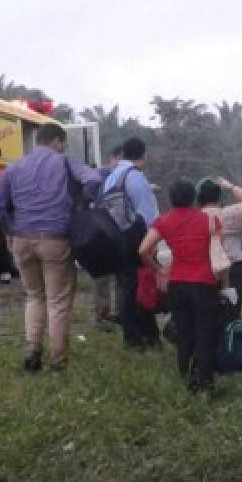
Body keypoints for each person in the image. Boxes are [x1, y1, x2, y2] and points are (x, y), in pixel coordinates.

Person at [0, 123, 100, 373]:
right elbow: (93, 179)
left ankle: (32, 350)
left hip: (21, 240)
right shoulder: (64, 161)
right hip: (55, 240)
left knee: (34, 296)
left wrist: (10, 229)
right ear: (57, 141)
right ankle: (58, 362)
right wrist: (80, 205)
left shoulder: (15, 167)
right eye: (63, 144)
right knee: (57, 302)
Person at [139, 181, 221, 393]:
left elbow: (143, 250)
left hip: (177, 283)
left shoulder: (163, 221)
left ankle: (186, 377)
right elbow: (219, 253)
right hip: (204, 283)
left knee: (184, 333)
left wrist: (159, 269)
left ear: (171, 199)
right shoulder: (209, 220)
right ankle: (206, 382)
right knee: (205, 332)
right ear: (193, 198)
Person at [104, 137, 161, 351]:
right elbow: (146, 213)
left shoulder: (112, 176)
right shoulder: (134, 176)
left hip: (115, 239)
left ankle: (137, 335)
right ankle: (141, 337)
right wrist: (151, 242)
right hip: (134, 239)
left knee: (126, 288)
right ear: (143, 155)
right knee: (141, 287)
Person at [196, 176, 242, 319]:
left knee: (210, 318)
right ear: (220, 197)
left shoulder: (194, 219)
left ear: (198, 199)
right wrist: (231, 187)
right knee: (232, 314)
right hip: (232, 272)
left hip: (204, 274)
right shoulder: (230, 214)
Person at [92, 143, 123, 330]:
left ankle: (119, 313)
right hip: (101, 230)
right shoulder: (100, 175)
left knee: (120, 273)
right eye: (120, 158)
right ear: (113, 157)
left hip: (117, 230)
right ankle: (102, 316)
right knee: (103, 275)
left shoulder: (125, 176)